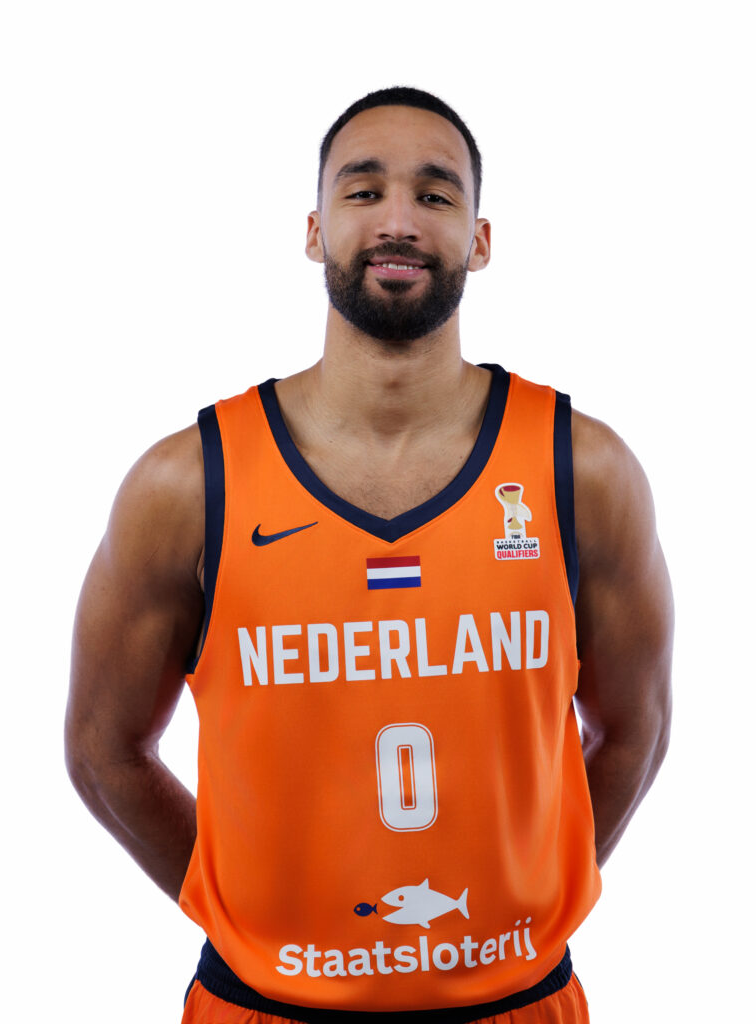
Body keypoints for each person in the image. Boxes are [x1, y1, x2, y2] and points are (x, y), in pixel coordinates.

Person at [65, 86, 673, 1023]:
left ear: (479, 239)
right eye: (363, 191)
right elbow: (103, 749)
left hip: (517, 999)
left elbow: (637, 728)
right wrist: (248, 916)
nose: (398, 220)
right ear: (314, 232)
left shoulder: (580, 470)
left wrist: (530, 897)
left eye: (435, 195)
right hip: (263, 1004)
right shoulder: (188, 484)